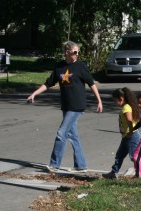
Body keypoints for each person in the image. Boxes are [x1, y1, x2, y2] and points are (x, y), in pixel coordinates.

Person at [27, 41, 103, 173]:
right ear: (67, 52)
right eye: (75, 52)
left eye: (77, 52)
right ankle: (81, 165)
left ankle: (54, 164)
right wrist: (34, 93)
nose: (77, 54)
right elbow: (48, 83)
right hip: (66, 106)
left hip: (77, 105)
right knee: (72, 136)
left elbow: (92, 83)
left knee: (61, 133)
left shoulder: (81, 66)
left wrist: (99, 101)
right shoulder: (59, 67)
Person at [103, 87, 141, 179]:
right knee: (119, 155)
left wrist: (131, 131)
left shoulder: (126, 108)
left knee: (134, 156)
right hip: (126, 136)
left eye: (115, 100)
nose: (115, 102)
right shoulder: (128, 106)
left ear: (121, 98)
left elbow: (129, 119)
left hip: (131, 135)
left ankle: (140, 173)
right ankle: (113, 172)